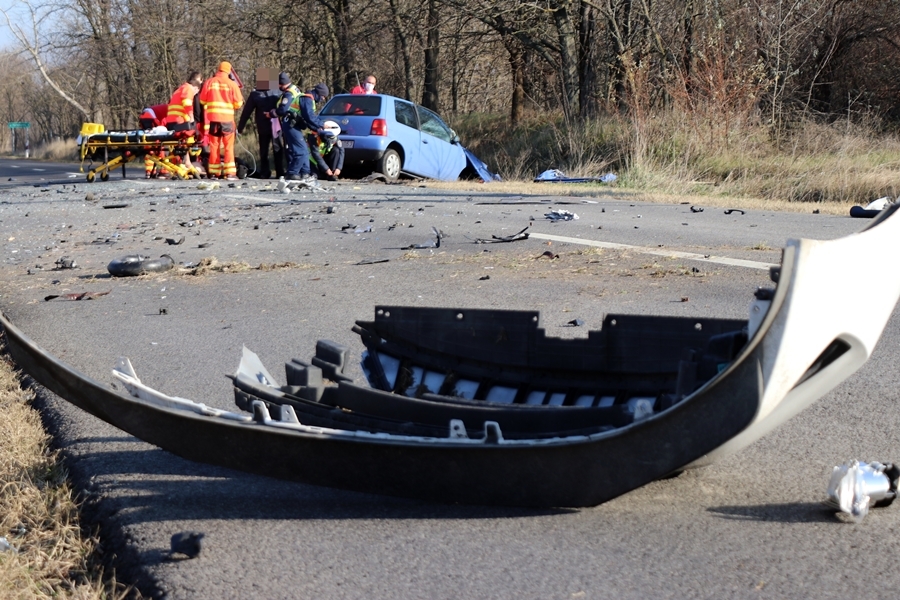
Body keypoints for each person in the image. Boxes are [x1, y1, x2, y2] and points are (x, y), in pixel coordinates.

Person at [269, 73, 328, 181]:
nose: (323, 99)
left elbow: (308, 118)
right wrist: (321, 125)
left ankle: (305, 172)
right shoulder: (307, 99)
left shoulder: (308, 99)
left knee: (304, 150)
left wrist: (317, 129)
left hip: (294, 125)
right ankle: (292, 173)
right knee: (300, 151)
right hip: (291, 125)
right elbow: (309, 117)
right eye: (323, 96)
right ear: (319, 94)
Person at [198, 61, 243, 179]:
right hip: (227, 121)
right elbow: (238, 103)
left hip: (213, 121)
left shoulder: (209, 82)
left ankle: (214, 173)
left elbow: (202, 101)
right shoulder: (232, 84)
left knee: (214, 146)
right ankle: (230, 174)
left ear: (219, 69)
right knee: (228, 147)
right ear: (228, 71)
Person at [237, 69, 284, 179]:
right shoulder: (278, 91)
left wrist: (240, 128)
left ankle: (265, 172)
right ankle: (280, 172)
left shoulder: (255, 94)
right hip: (276, 126)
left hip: (263, 125)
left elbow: (246, 112)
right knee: (277, 149)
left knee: (264, 150)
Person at [165, 71, 203, 171]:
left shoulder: (180, 88)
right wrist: (191, 118)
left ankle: (186, 162)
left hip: (172, 121)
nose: (195, 94)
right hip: (178, 121)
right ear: (196, 87)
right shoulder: (188, 89)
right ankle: (187, 163)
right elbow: (187, 104)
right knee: (188, 136)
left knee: (183, 140)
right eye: (196, 92)